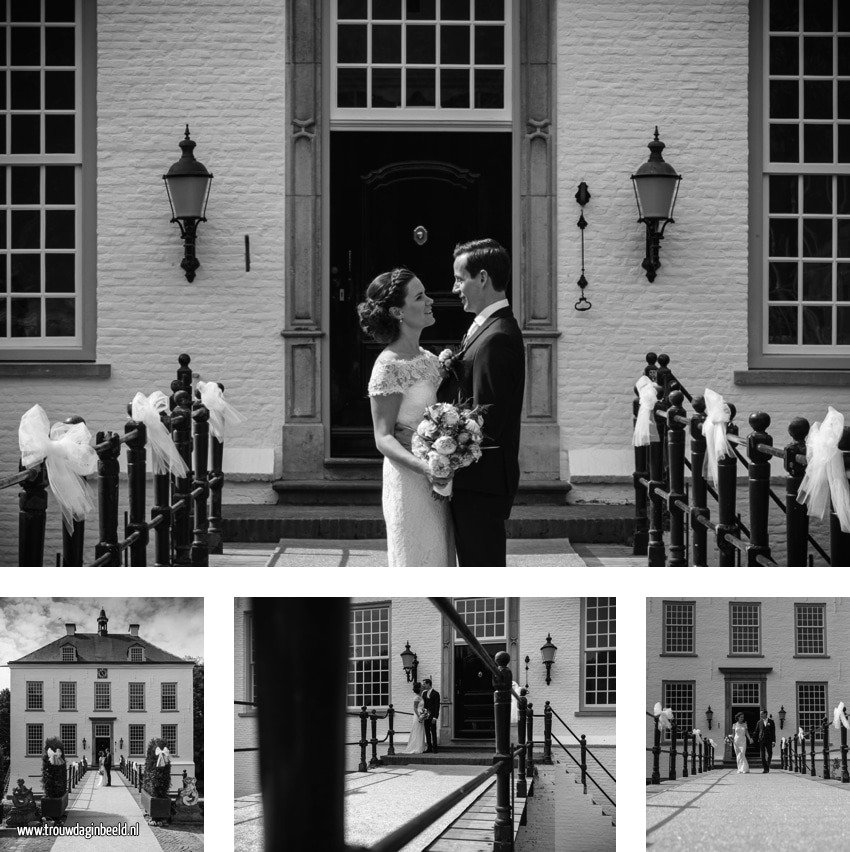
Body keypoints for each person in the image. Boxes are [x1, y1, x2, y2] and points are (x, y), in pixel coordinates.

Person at [359, 268, 455, 567]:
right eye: (419, 296)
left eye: (426, 294)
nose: (430, 301)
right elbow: (383, 437)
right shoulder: (388, 366)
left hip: (438, 479)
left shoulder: (428, 360)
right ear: (398, 311)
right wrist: (425, 467)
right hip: (410, 481)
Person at [438, 239, 525, 567]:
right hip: (475, 482)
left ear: (483, 278)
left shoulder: (498, 337)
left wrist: (444, 454)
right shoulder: (487, 329)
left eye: (460, 279)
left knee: (482, 570)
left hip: (481, 485)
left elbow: (486, 422)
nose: (455, 287)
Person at [404, 683, 428, 755]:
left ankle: (420, 747)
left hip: (421, 714)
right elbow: (415, 708)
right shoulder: (417, 697)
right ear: (419, 688)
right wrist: (419, 716)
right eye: (421, 686)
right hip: (418, 716)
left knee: (421, 730)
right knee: (417, 730)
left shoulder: (421, 696)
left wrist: (424, 711)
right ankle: (416, 747)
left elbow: (421, 706)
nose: (422, 687)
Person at [421, 678, 440, 753]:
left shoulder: (436, 693)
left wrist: (435, 717)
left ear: (428, 684)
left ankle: (435, 748)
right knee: (427, 731)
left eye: (424, 684)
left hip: (433, 716)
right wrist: (423, 714)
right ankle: (429, 747)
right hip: (426, 715)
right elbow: (424, 704)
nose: (424, 685)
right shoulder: (424, 693)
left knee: (433, 731)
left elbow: (437, 706)